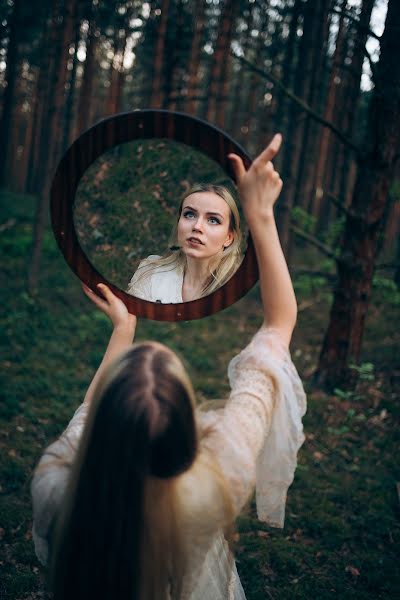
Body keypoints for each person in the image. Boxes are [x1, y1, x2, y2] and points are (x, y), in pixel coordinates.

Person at [31, 134, 307, 600]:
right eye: (188, 213)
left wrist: (122, 332)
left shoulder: (56, 489)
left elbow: (87, 411)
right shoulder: (211, 493)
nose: (196, 226)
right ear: (192, 434)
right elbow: (280, 325)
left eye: (213, 219)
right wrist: (262, 213)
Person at [126, 183, 245, 302]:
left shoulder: (239, 288)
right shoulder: (151, 272)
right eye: (190, 215)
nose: (197, 226)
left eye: (213, 220)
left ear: (229, 238)